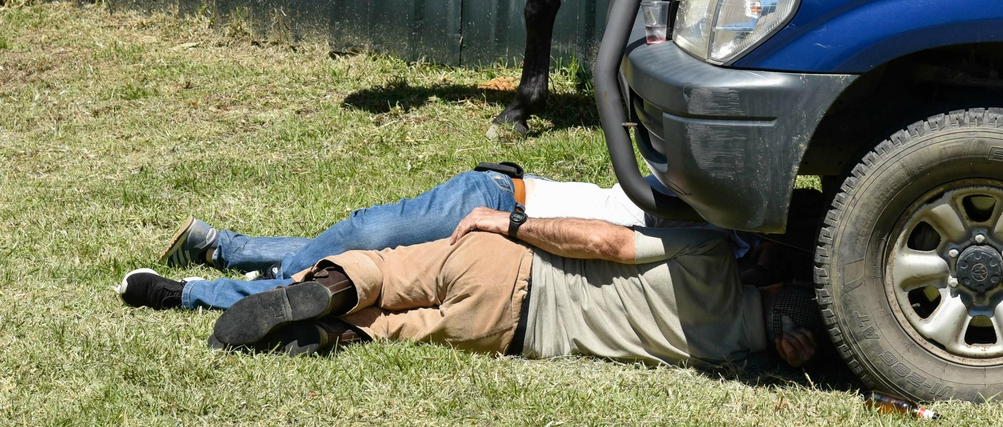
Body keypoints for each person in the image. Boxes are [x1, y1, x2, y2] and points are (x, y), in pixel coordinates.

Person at [204, 205, 823, 369]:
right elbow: (776, 352)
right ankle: (328, 331)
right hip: (507, 337)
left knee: (386, 271)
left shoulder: (709, 255)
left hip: (509, 269)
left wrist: (515, 224)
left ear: (771, 288)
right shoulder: (730, 357)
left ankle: (329, 289)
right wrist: (786, 352)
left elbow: (606, 244)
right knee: (387, 332)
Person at [117, 165, 662, 311]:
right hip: (501, 203)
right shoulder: (698, 201)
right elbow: (607, 240)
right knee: (360, 238)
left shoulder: (714, 250)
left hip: (510, 259)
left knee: (355, 280)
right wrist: (511, 222)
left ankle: (220, 253)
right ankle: (232, 280)